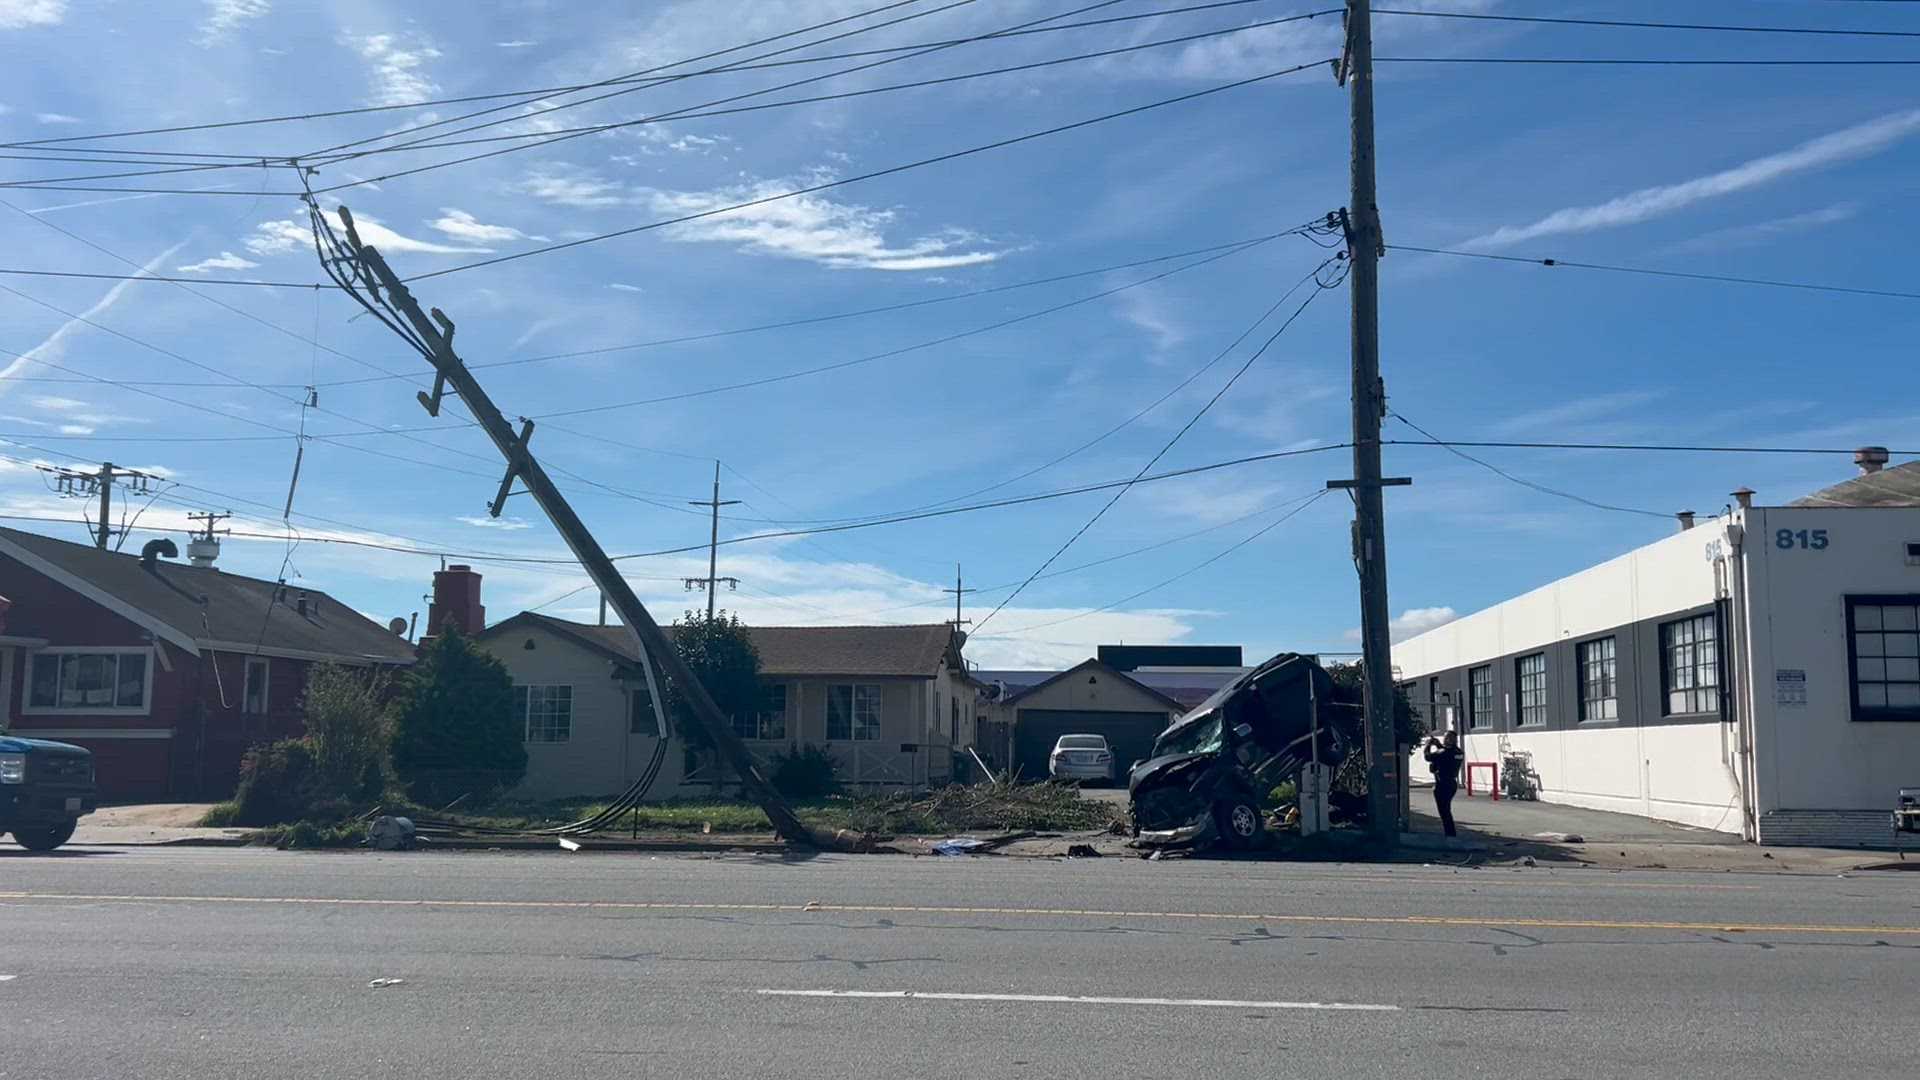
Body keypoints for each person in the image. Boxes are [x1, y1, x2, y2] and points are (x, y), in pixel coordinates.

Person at [1424, 730, 1464, 838]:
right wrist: (1437, 744)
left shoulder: (1442, 752)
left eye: (1447, 738)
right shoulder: (1459, 752)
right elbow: (1446, 752)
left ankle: (1450, 834)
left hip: (1442, 784)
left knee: (1444, 811)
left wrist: (1428, 745)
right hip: (1452, 784)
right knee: (1446, 809)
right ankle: (1450, 834)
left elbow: (1427, 756)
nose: (1445, 739)